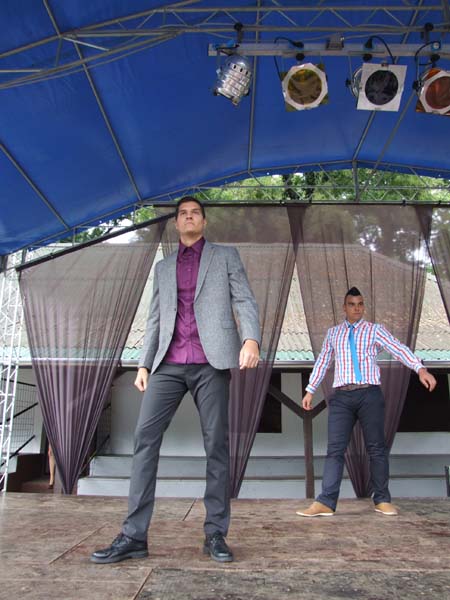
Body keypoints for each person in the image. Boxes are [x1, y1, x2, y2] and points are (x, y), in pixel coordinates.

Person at [91, 196, 260, 564]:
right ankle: (134, 536)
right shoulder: (163, 268)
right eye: (183, 214)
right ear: (176, 223)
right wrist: (143, 365)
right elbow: (155, 318)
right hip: (168, 362)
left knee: (217, 445)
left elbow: (244, 300)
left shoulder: (225, 256)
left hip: (211, 362)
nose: (189, 217)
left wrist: (251, 339)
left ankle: (215, 533)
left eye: (195, 213)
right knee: (144, 438)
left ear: (204, 221)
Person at [296, 286, 436, 518]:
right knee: (335, 450)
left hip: (369, 394)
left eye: (360, 304)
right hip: (342, 396)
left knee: (376, 448)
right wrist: (310, 390)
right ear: (344, 307)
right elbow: (323, 361)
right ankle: (326, 502)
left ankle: (382, 499)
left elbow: (398, 348)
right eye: (352, 304)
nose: (357, 308)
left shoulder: (374, 330)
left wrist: (420, 369)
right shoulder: (334, 333)